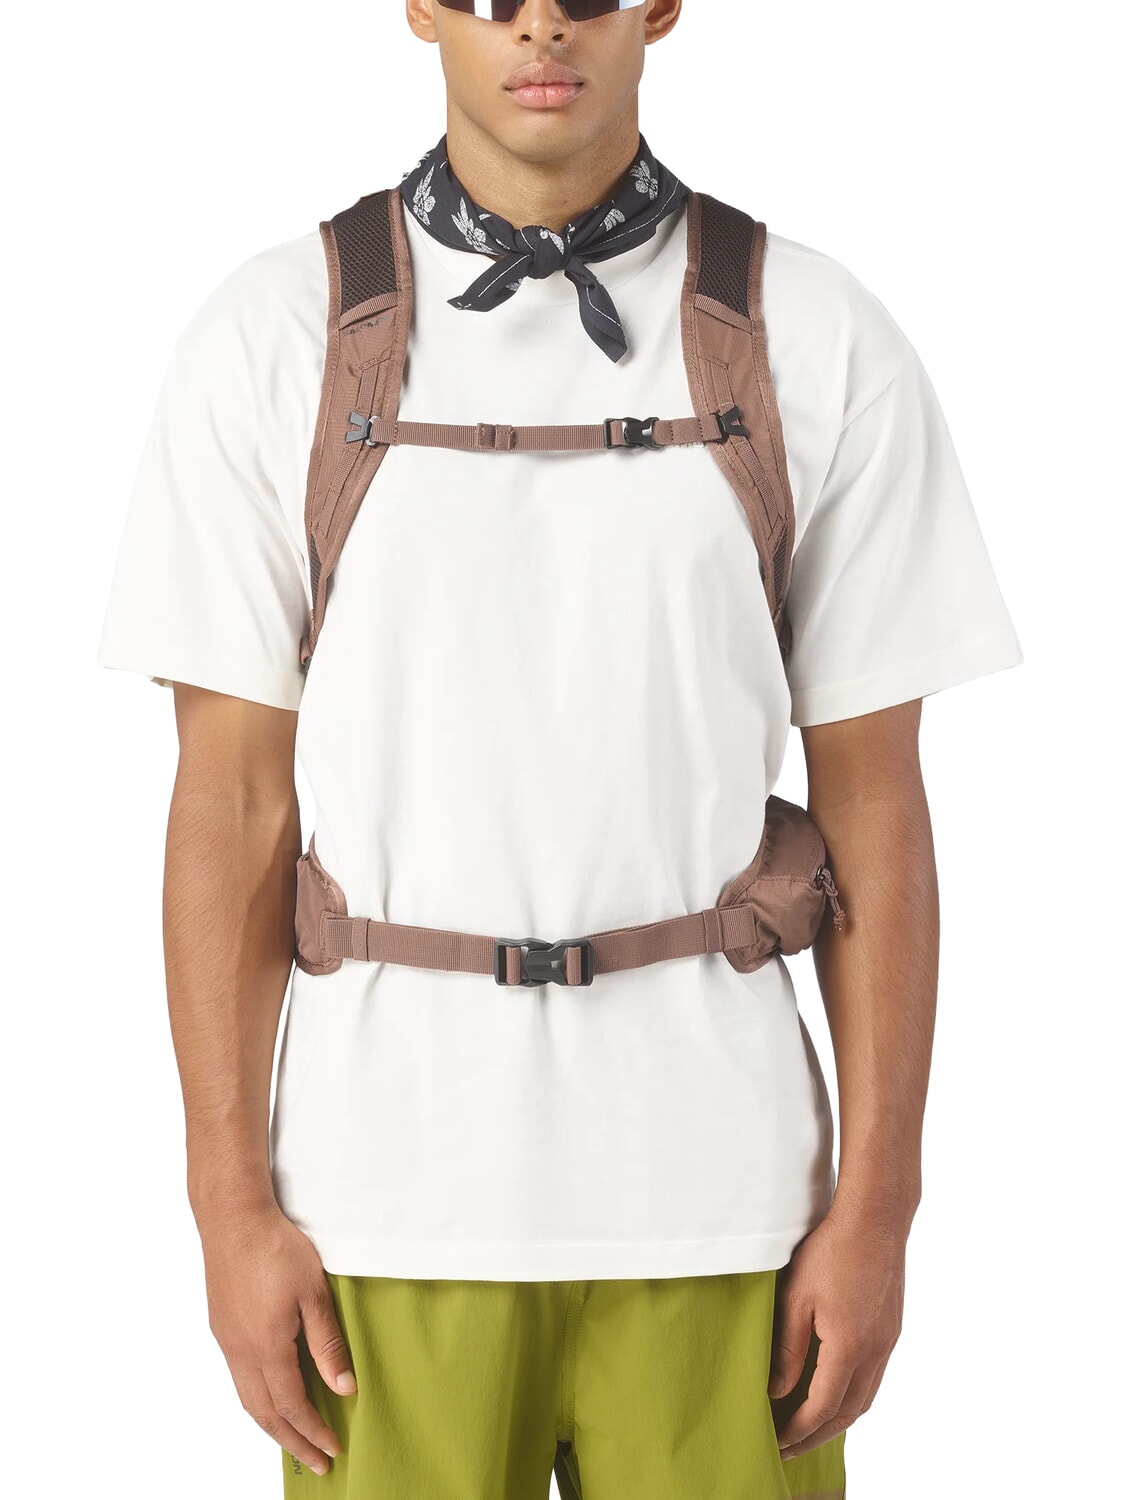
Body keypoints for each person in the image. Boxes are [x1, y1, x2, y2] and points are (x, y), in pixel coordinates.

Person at [96, 2, 1024, 1495]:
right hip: (381, 1203)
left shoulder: (813, 332)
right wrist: (227, 1207)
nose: (539, 22)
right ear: (420, 8)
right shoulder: (273, 336)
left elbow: (877, 806)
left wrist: (877, 1212)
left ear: (657, 7)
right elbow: (230, 800)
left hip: (727, 1203)